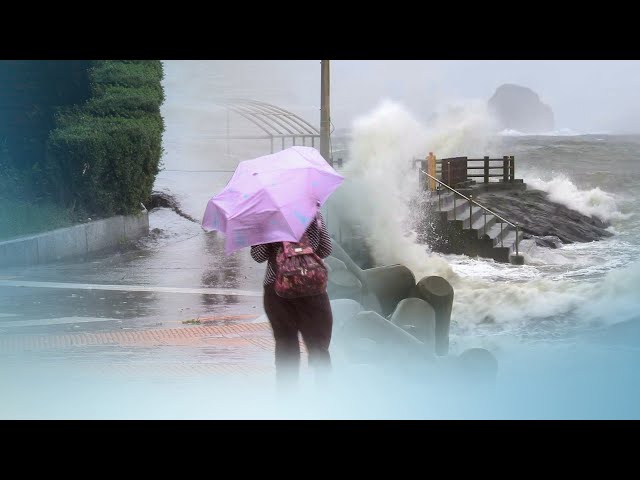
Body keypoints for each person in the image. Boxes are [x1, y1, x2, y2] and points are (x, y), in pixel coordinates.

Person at [250, 209, 333, 391]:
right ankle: (326, 400)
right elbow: (326, 248)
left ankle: (288, 403)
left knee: (286, 343)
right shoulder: (311, 210)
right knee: (318, 346)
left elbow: (258, 256)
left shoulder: (265, 213)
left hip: (277, 288)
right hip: (313, 288)